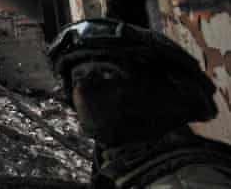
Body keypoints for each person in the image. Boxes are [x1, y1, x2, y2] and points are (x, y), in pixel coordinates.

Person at [47, 17, 231, 188]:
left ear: (151, 91)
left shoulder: (185, 182)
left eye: (106, 73)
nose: (87, 88)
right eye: (78, 77)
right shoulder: (129, 166)